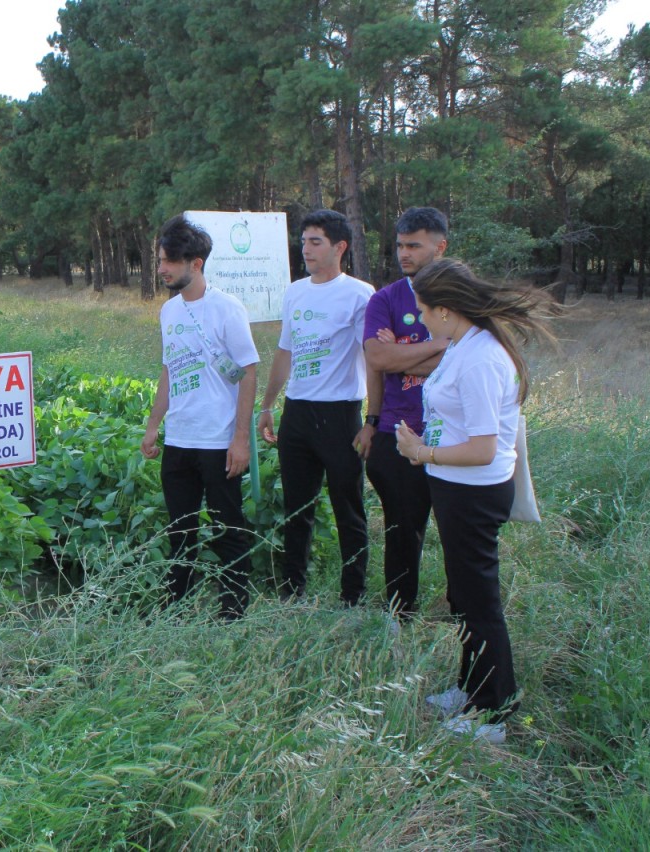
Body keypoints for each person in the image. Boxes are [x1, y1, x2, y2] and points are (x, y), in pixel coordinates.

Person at [393, 257, 557, 744]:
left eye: (423, 311)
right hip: (455, 485)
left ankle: (493, 710)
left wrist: (421, 452)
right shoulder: (464, 344)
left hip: (474, 489)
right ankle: (471, 686)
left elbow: (485, 446)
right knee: (463, 594)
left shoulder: (483, 357)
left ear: (445, 311)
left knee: (479, 601)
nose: (420, 319)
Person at [141, 215, 260, 619]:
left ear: (196, 263)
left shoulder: (227, 308)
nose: (161, 269)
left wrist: (240, 438)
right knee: (181, 529)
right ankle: (177, 606)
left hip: (217, 441)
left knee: (229, 527)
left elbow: (247, 372)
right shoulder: (168, 312)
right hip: (179, 440)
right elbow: (168, 371)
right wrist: (154, 425)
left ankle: (233, 609)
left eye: (169, 261)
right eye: (160, 260)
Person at [257, 209, 374, 605]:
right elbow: (285, 352)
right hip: (298, 413)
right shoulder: (295, 291)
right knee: (297, 508)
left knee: (348, 508)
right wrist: (268, 404)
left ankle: (352, 596)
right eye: (303, 240)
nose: (305, 248)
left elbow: (373, 358)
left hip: (340, 414)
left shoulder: (360, 294)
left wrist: (372, 419)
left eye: (315, 241)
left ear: (339, 247)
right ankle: (292, 592)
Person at [353, 207, 450, 618]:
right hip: (397, 433)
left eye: (414, 245)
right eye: (399, 245)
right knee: (401, 532)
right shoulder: (386, 299)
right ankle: (399, 613)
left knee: (458, 534)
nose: (404, 253)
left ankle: (462, 611)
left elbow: (469, 357)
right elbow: (376, 358)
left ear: (439, 246)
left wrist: (400, 356)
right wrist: (440, 345)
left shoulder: (460, 295)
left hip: (453, 435)